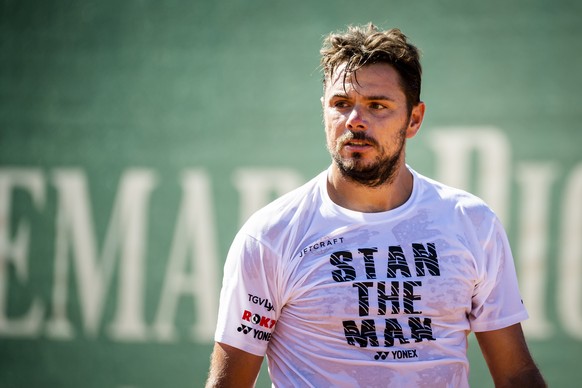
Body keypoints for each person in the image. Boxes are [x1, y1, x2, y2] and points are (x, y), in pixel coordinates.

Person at [205, 23, 546, 387]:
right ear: (324, 112)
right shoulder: (270, 236)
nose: (355, 121)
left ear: (413, 119)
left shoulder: (470, 223)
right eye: (341, 104)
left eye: (377, 105)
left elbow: (516, 374)